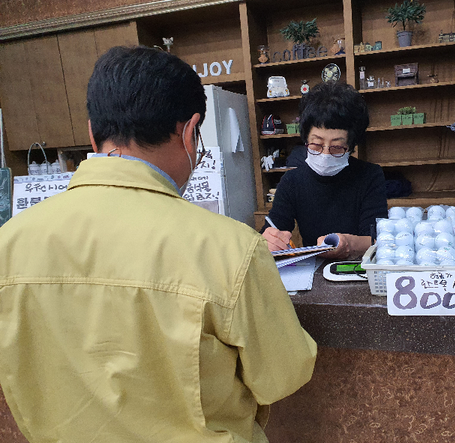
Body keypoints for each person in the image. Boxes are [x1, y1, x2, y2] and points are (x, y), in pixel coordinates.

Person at [0, 46, 316, 443]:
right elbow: (282, 375)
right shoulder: (228, 248)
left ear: (92, 132)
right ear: (190, 132)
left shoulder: (9, 244)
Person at [262, 81, 388, 260]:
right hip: (312, 272)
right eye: (316, 144)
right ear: (305, 139)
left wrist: (349, 244)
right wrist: (268, 241)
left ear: (351, 146)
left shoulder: (369, 176)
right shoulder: (292, 181)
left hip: (359, 269)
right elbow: (273, 229)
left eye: (337, 147)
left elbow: (378, 238)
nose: (325, 154)